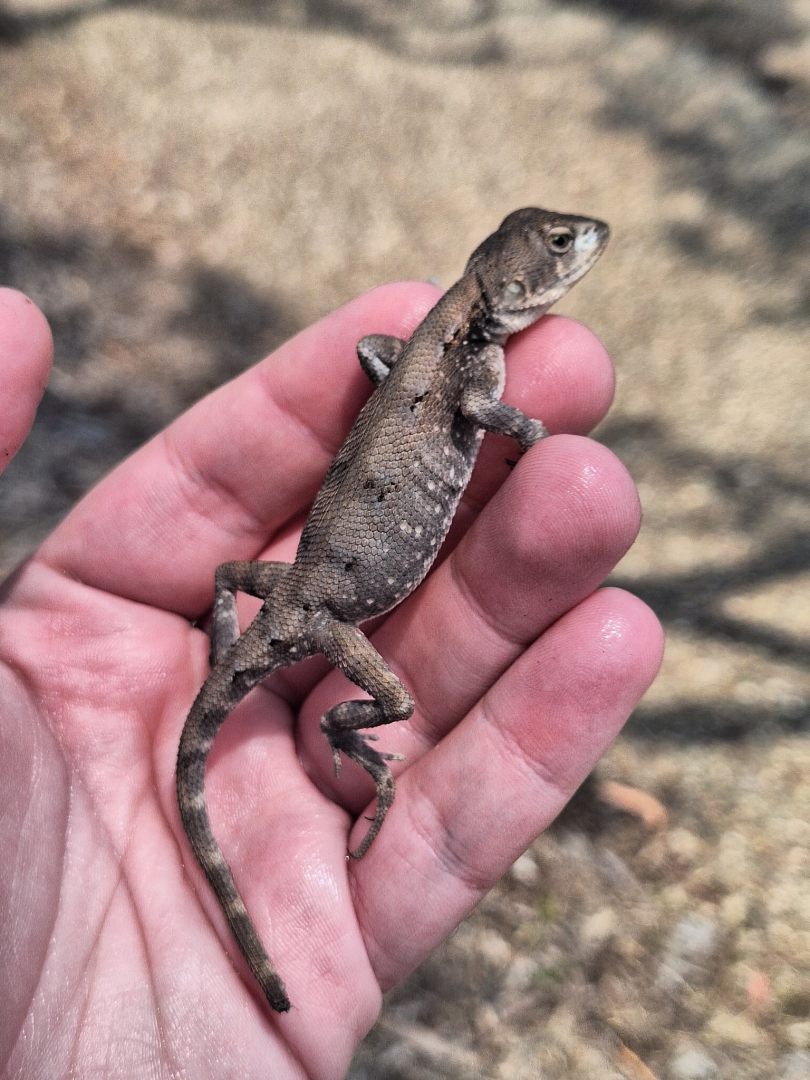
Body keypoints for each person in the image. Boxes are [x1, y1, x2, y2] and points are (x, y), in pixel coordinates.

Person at [0, 282, 663, 1079]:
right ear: (512, 288)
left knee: (229, 576)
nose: (575, 256)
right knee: (399, 701)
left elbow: (377, 353)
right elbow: (486, 412)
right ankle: (337, 726)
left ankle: (267, 696)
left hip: (295, 590)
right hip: (318, 617)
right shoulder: (470, 370)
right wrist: (527, 429)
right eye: (556, 249)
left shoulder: (433, 356)